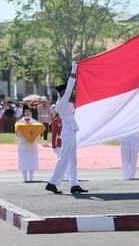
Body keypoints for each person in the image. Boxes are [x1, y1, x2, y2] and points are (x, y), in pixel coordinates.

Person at [46, 62, 87, 194]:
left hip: (70, 131)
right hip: (68, 132)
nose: (67, 93)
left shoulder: (64, 103)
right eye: (65, 92)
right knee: (64, 159)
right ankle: (52, 183)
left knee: (73, 160)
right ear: (61, 93)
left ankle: (74, 184)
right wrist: (74, 70)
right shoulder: (62, 102)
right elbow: (70, 87)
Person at [15, 108, 41, 182]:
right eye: (26, 113)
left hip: (32, 144)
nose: (27, 114)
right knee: (23, 161)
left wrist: (31, 135)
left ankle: (31, 178)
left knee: (32, 160)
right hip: (23, 144)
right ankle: (25, 178)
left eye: (29, 113)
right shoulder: (19, 123)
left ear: (31, 114)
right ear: (24, 114)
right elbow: (17, 134)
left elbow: (38, 133)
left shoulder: (35, 122)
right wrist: (24, 134)